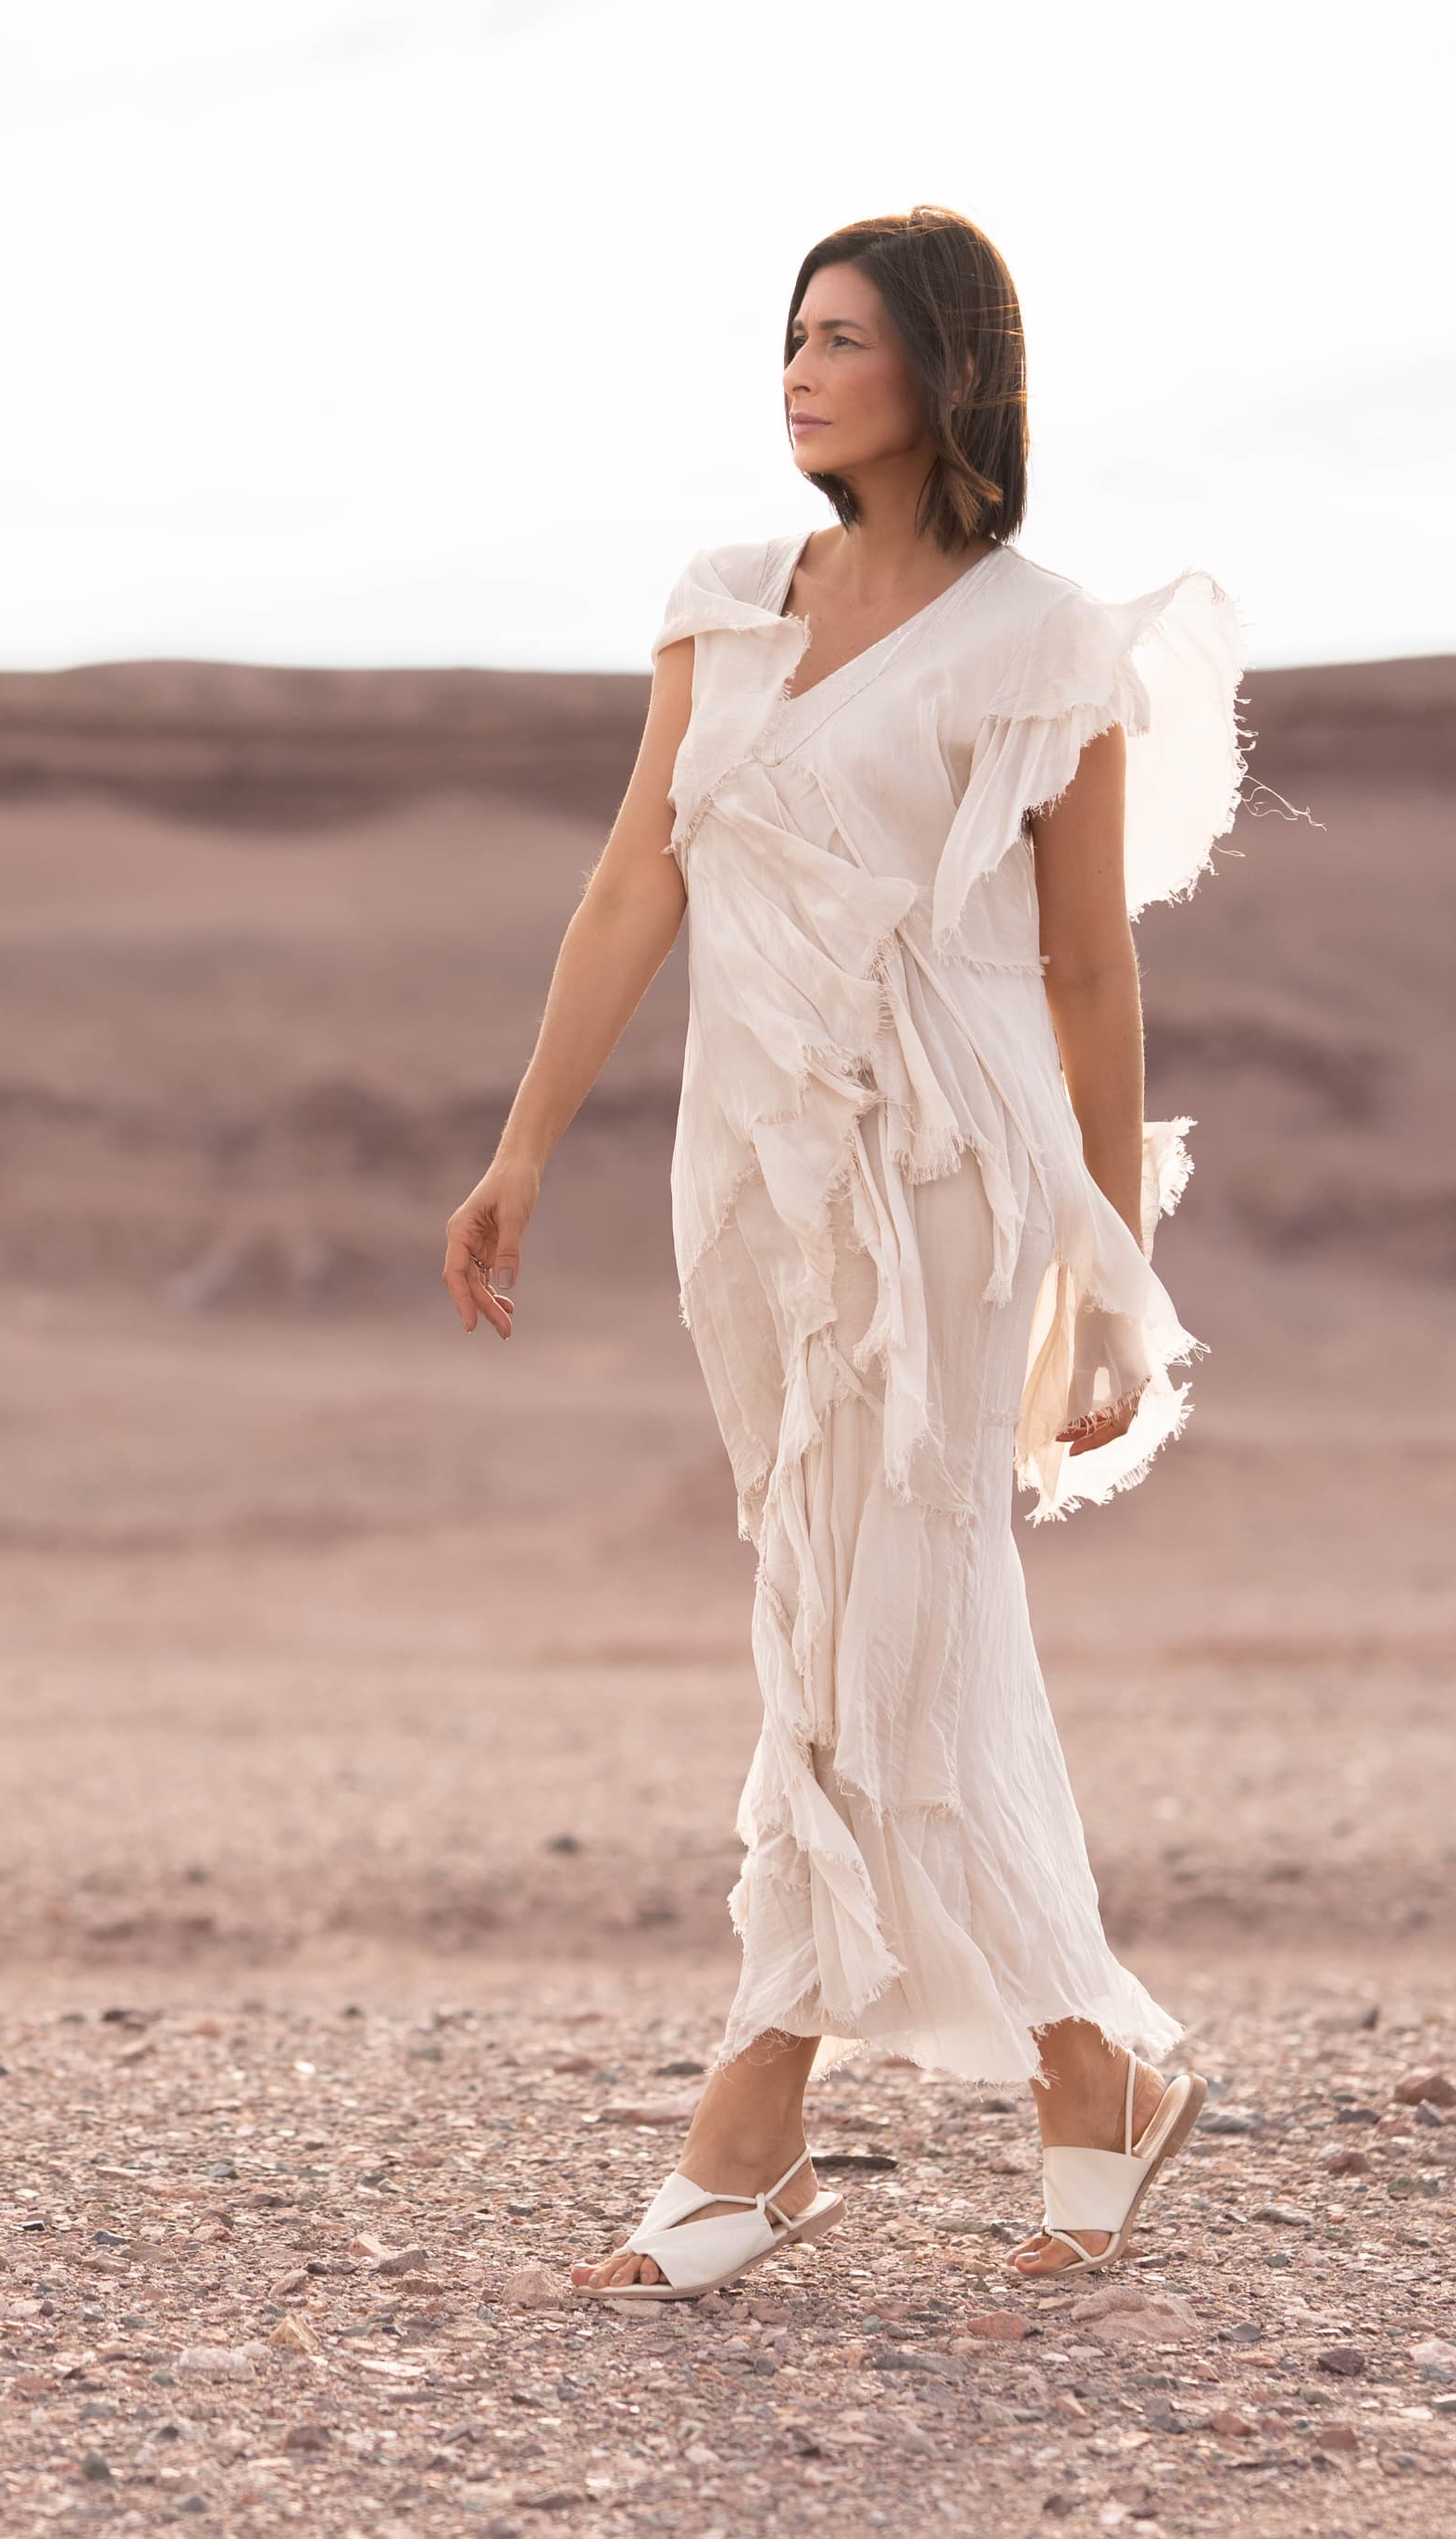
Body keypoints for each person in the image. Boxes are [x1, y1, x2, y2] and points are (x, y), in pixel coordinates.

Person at [440, 205, 1248, 2292]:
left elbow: (1087, 966)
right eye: (791, 335)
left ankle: (751, 2121)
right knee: (849, 1601)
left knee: (882, 1601)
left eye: (844, 338)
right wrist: (523, 1144)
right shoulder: (726, 602)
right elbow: (634, 883)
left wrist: (1109, 1262)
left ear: (947, 370)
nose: (798, 372)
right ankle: (1089, 2073)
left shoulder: (1044, 642)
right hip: (753, 1171)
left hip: (952, 1171)